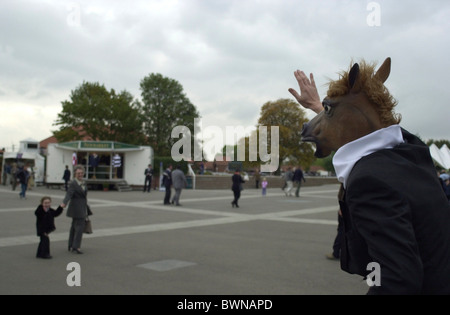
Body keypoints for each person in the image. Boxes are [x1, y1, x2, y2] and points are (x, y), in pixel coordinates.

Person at [289, 65, 450, 294]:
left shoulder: (370, 181)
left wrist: (329, 108)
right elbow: (363, 127)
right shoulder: (413, 156)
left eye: (328, 110)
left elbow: (397, 280)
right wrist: (323, 107)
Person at [61, 165, 88, 254]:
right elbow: (69, 193)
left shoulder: (83, 182)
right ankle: (76, 247)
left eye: (81, 173)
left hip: (81, 207)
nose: (80, 175)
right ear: (75, 174)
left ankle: (71, 244)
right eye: (78, 173)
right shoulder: (73, 183)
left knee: (74, 227)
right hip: (77, 208)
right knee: (79, 228)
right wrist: (64, 202)